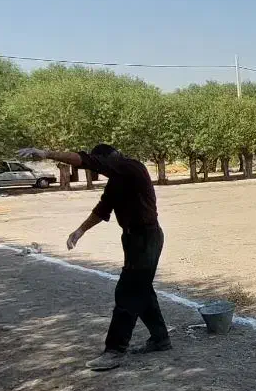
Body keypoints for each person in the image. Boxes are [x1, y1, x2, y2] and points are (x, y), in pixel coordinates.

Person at [17, 144, 170, 370]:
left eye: (99, 164)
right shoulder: (117, 181)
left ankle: (114, 351)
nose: (98, 169)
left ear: (110, 158)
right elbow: (102, 209)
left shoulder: (131, 167)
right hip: (133, 239)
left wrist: (47, 154)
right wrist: (79, 231)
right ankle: (160, 339)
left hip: (147, 238)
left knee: (128, 292)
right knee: (141, 289)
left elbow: (85, 160)